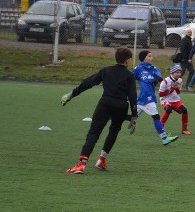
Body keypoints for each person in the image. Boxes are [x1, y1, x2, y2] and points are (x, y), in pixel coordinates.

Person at [61, 46, 138, 174]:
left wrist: (72, 94)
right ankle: (101, 159)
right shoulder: (129, 76)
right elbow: (133, 97)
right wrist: (134, 116)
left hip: (105, 104)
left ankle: (81, 164)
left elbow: (89, 82)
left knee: (94, 133)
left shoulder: (106, 71)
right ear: (127, 60)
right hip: (121, 106)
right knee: (113, 132)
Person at [133, 50, 180, 145]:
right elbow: (129, 78)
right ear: (144, 58)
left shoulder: (153, 68)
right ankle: (164, 139)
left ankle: (112, 116)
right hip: (147, 98)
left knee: (133, 117)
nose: (152, 58)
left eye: (151, 56)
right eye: (149, 56)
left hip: (145, 98)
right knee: (156, 117)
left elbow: (159, 78)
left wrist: (156, 79)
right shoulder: (138, 69)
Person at [159, 63, 191, 135]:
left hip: (176, 100)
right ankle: (160, 128)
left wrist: (176, 88)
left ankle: (184, 129)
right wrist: (172, 88)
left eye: (180, 72)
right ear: (172, 72)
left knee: (184, 110)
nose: (179, 74)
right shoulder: (165, 81)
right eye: (177, 72)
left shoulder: (180, 80)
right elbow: (160, 94)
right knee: (168, 109)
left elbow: (178, 92)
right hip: (165, 100)